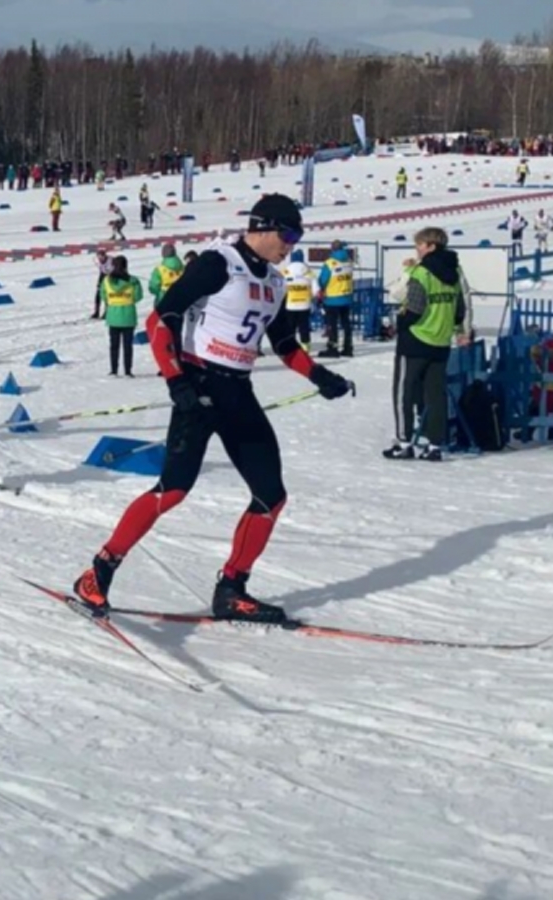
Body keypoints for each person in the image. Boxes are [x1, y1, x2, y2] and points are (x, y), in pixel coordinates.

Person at [70, 194, 355, 623]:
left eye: (298, 235)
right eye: (288, 234)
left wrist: (319, 376)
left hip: (238, 391)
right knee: (174, 489)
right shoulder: (217, 262)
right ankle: (98, 572)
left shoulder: (276, 282)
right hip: (199, 385)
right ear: (261, 227)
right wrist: (175, 378)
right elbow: (161, 317)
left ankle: (231, 589)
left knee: (270, 495)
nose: (292, 244)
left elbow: (283, 345)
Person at [384, 227, 474, 462]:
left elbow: (414, 306)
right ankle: (435, 443)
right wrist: (457, 329)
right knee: (435, 394)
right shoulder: (454, 271)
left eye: (420, 245)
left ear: (431, 246)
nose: (418, 250)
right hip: (441, 340)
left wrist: (399, 324)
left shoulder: (422, 272)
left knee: (404, 391)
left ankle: (404, 441)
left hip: (415, 339)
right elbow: (459, 308)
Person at [101, 255, 143, 376]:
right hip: (128, 317)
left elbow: (103, 296)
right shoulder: (133, 281)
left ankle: (114, 370)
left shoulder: (106, 281)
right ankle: (128, 371)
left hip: (113, 317)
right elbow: (138, 296)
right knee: (127, 346)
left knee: (114, 345)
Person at [315, 240, 355, 358]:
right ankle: (348, 347)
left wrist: (320, 290)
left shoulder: (329, 263)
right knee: (346, 323)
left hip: (332, 298)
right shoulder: (349, 261)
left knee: (332, 324)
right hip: (346, 296)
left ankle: (333, 347)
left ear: (332, 249)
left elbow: (322, 280)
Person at [282, 251, 314, 348]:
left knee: (290, 327)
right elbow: (316, 287)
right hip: (305, 304)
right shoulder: (308, 271)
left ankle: (291, 346)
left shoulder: (285, 271)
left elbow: (279, 287)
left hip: (290, 304)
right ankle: (306, 346)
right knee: (304, 326)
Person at [90, 249, 111, 319]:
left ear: (105, 256)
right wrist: (99, 283)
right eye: (99, 257)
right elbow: (102, 271)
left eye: (102, 257)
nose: (100, 259)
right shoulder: (97, 261)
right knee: (98, 294)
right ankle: (96, 312)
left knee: (107, 296)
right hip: (103, 275)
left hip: (112, 276)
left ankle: (107, 312)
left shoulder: (111, 261)